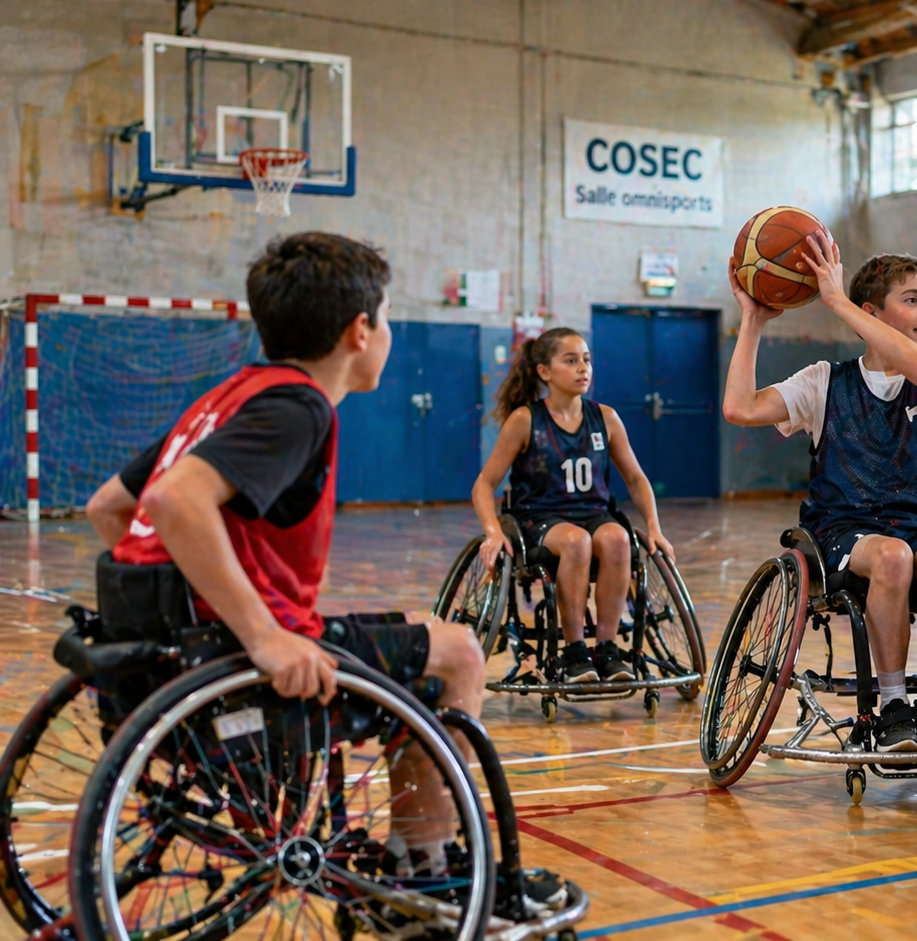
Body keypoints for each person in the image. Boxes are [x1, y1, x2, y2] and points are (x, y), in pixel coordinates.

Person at [82, 232, 563, 908]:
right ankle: (426, 871)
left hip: (168, 652)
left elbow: (110, 508)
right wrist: (260, 635)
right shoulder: (298, 406)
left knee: (423, 627)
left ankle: (419, 854)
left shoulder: (230, 395)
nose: (388, 332)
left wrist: (197, 603)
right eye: (386, 317)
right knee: (459, 653)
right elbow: (172, 501)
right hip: (223, 661)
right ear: (359, 331)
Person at [722, 238, 917, 754]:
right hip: (845, 527)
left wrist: (835, 301)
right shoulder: (824, 382)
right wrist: (753, 321)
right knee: (892, 556)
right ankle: (894, 705)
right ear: (870, 312)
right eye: (912, 300)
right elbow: (740, 408)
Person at [472, 327, 675, 685]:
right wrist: (492, 532)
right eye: (570, 361)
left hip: (594, 513)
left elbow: (636, 479)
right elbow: (484, 485)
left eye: (586, 360)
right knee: (576, 541)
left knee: (617, 539)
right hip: (539, 518)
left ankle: (607, 649)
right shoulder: (526, 420)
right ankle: (575, 651)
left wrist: (654, 527)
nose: (583, 368)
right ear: (545, 372)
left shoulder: (606, 418)